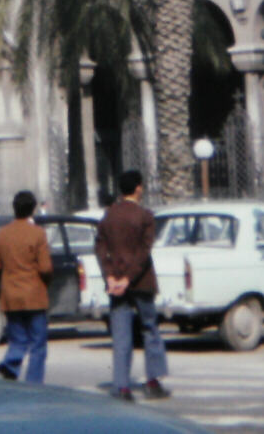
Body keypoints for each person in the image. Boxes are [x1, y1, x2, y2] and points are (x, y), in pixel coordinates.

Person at [95, 170, 168, 401]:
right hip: (141, 281)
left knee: (121, 334)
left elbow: (99, 249)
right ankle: (153, 381)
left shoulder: (109, 216)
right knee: (150, 329)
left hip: (116, 282)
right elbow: (144, 252)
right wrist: (130, 277)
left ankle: (122, 386)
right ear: (138, 188)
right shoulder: (145, 216)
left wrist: (110, 277)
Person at [0, 189, 51, 383]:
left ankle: (10, 364)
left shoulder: (2, 234)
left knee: (17, 338)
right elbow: (46, 267)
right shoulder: (38, 234)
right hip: (34, 295)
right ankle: (33, 383)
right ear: (33, 209)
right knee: (37, 344)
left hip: (11, 294)